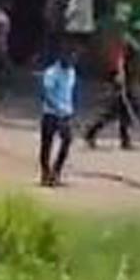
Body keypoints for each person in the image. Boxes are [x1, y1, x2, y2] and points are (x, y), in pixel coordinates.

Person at [83, 17, 140, 150]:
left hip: (131, 80)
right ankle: (91, 132)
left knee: (123, 111)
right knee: (113, 111)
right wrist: (120, 75)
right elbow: (120, 59)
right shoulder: (127, 42)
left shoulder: (135, 42)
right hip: (124, 81)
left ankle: (125, 140)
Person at [39, 40, 79, 187]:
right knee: (47, 144)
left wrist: (70, 111)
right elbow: (45, 94)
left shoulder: (72, 72)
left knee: (67, 140)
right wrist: (57, 108)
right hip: (51, 114)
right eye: (71, 58)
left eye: (75, 59)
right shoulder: (51, 73)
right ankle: (45, 172)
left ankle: (56, 171)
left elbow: (70, 93)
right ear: (63, 56)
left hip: (66, 113)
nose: (73, 61)